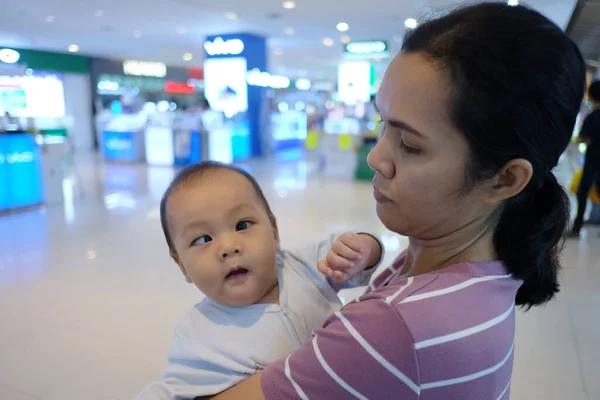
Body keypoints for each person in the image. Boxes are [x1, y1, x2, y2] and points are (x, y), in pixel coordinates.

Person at [208, 3, 586, 399]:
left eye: (409, 145)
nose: (376, 158)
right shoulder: (486, 272)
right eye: (382, 124)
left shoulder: (398, 325)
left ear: (504, 179)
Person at [135, 161, 384, 399]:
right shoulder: (196, 333)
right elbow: (170, 390)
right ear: (182, 265)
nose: (228, 247)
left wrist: (363, 249)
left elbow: (353, 252)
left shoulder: (303, 265)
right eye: (203, 239)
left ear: (274, 233)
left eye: (242, 225)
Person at [570, 81, 600, 237]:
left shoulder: (593, 117)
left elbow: (582, 139)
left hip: (592, 160)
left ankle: (577, 227)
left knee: (583, 192)